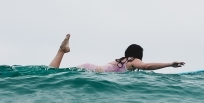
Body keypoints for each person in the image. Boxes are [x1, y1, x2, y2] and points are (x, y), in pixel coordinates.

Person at [48, 34, 185, 72]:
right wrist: (169, 64)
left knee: (53, 74)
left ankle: (62, 51)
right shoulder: (132, 61)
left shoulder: (120, 61)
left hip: (89, 67)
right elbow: (147, 66)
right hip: (91, 73)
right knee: (54, 75)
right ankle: (62, 50)